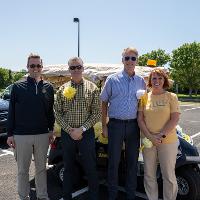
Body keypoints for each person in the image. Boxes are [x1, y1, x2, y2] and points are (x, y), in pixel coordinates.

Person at [7, 53, 55, 200]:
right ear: (27, 67)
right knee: (23, 170)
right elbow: (11, 112)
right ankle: (23, 196)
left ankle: (42, 195)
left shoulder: (49, 87)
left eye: (38, 65)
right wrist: (10, 134)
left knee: (41, 169)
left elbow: (49, 112)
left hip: (42, 135)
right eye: (32, 65)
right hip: (21, 136)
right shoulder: (17, 87)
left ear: (42, 67)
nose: (35, 68)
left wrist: (51, 130)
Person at [100, 47, 146, 200]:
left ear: (136, 60)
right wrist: (104, 126)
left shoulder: (141, 81)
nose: (130, 61)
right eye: (127, 58)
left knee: (132, 163)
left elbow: (142, 104)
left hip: (133, 126)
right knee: (114, 162)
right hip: (116, 125)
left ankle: (130, 195)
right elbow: (104, 103)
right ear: (122, 60)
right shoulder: (112, 79)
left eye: (133, 58)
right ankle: (112, 196)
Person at [54, 57, 101, 200]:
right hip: (67, 134)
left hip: (86, 133)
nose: (76, 70)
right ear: (69, 70)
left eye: (78, 67)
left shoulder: (92, 88)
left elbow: (97, 112)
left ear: (83, 68)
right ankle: (66, 196)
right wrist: (70, 130)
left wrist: (82, 129)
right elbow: (57, 112)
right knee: (68, 168)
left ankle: (94, 196)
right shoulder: (62, 89)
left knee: (90, 167)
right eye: (72, 67)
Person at [137, 69, 180, 200]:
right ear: (150, 81)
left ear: (164, 80)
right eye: (154, 78)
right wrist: (150, 137)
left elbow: (175, 119)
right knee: (149, 174)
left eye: (160, 78)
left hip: (167, 141)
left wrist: (160, 136)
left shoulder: (171, 97)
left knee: (168, 175)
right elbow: (140, 119)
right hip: (148, 141)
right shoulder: (144, 97)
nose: (157, 81)